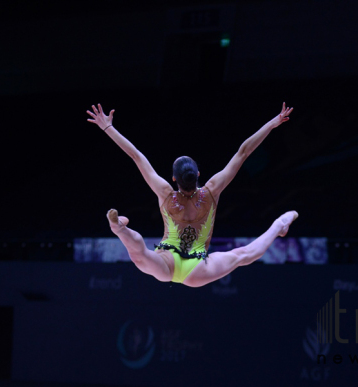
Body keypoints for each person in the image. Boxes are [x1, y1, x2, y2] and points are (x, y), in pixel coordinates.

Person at [86, 102, 298, 287]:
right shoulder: (212, 191)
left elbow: (136, 156)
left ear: (173, 179)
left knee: (140, 254)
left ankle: (120, 229)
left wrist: (108, 127)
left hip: (166, 261)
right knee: (243, 255)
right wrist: (272, 123)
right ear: (198, 174)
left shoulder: (166, 194)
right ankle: (278, 225)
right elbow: (243, 152)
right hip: (197, 268)